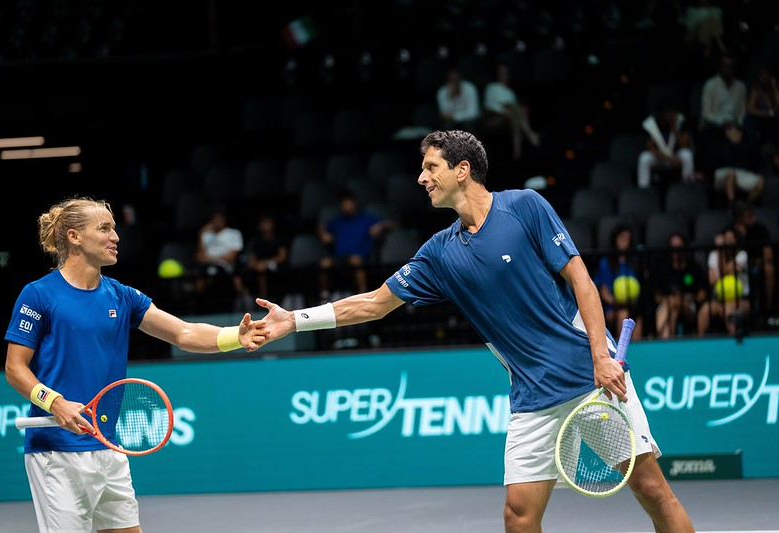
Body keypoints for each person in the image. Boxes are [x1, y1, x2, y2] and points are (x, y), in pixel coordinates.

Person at [255, 130, 695, 532]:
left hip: (589, 380)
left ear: (461, 170)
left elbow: (580, 279)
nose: (421, 177)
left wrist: (600, 356)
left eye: (430, 167)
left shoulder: (525, 206)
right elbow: (373, 303)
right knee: (519, 516)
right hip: (532, 399)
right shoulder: (439, 254)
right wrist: (295, 319)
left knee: (653, 491)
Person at [4, 197, 267, 533]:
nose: (116, 237)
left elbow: (184, 333)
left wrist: (236, 337)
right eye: (104, 229)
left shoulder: (122, 296)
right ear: (74, 237)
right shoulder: (39, 295)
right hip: (57, 451)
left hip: (109, 446)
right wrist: (53, 402)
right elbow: (15, 368)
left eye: (114, 228)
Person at [317, 189, 394, 301]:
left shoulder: (366, 218)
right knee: (324, 264)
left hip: (361, 256)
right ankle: (324, 296)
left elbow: (391, 224)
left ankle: (363, 293)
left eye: (349, 202)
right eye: (343, 202)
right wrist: (323, 234)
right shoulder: (337, 221)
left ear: (354, 203)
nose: (346, 205)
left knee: (355, 261)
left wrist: (380, 225)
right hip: (339, 256)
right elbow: (321, 227)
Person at [593, 224, 645, 340]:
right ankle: (620, 353)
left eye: (627, 239)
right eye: (621, 238)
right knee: (623, 314)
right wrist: (618, 303)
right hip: (613, 307)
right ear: (615, 240)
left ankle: (637, 351)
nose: (624, 242)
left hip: (632, 304)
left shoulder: (634, 263)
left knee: (637, 317)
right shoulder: (606, 263)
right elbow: (605, 293)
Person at [697, 225, 750, 336]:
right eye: (726, 239)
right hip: (719, 300)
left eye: (731, 239)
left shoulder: (742, 255)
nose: (728, 242)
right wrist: (719, 251)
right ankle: (700, 344)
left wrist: (720, 250)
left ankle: (733, 343)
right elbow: (712, 280)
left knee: (730, 310)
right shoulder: (713, 255)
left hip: (741, 299)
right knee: (705, 310)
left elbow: (725, 271)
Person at [653, 232, 708, 338]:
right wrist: (671, 300)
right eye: (673, 247)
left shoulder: (694, 268)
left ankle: (659, 335)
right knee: (673, 309)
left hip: (689, 306)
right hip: (667, 305)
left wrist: (689, 299)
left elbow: (703, 293)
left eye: (679, 247)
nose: (676, 250)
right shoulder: (663, 269)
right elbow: (657, 296)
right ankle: (666, 339)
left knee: (674, 305)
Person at [482, 62, 540, 161]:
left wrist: (510, 112)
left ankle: (517, 153)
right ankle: (530, 135)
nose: (503, 75)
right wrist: (504, 112)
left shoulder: (511, 93)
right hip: (495, 116)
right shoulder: (492, 87)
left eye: (506, 73)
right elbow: (489, 105)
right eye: (501, 73)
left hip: (511, 117)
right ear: (498, 74)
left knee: (516, 113)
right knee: (515, 111)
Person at [193, 206, 245, 310]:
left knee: (236, 280)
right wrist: (201, 234)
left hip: (226, 267)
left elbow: (231, 257)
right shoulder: (205, 234)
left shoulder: (234, 233)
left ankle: (239, 308)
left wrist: (209, 257)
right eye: (214, 218)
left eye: (220, 218)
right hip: (207, 265)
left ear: (224, 219)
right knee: (198, 279)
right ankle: (198, 309)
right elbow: (198, 256)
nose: (217, 221)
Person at [638, 98, 696, 188]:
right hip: (659, 158)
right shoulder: (650, 124)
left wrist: (674, 127)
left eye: (671, 112)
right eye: (666, 113)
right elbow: (651, 149)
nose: (669, 115)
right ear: (661, 114)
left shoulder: (681, 120)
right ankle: (643, 189)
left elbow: (684, 145)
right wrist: (669, 160)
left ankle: (687, 186)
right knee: (644, 158)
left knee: (687, 155)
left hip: (675, 156)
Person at [236, 213, 289, 307]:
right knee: (242, 273)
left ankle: (266, 299)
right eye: (263, 223)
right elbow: (252, 259)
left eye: (268, 222)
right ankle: (248, 300)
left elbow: (282, 257)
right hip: (259, 267)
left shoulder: (279, 238)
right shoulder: (256, 241)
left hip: (276, 266)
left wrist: (266, 263)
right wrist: (257, 264)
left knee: (266, 272)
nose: (265, 225)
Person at [732, 200, 775, 312]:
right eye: (749, 216)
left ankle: (768, 308)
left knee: (769, 269)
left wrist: (758, 262)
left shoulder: (760, 229)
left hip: (757, 264)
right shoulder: (733, 231)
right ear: (740, 219)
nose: (753, 219)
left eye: (753, 215)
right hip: (738, 265)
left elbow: (768, 255)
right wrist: (742, 237)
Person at [436, 67, 481, 133]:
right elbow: (445, 115)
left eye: (456, 79)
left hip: (469, 121)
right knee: (447, 126)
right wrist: (450, 97)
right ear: (447, 80)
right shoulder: (442, 92)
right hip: (451, 123)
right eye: (452, 79)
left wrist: (455, 116)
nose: (454, 82)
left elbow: (473, 113)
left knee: (467, 125)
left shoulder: (470, 88)